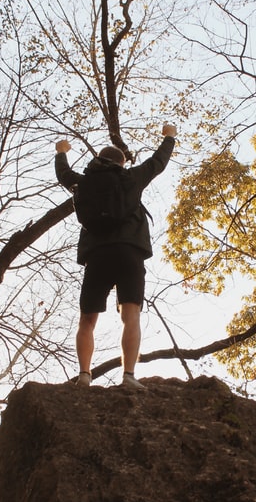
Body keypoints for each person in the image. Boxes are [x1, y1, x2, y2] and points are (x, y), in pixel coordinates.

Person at [55, 124, 177, 388]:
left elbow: (63, 174)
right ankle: (129, 376)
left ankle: (85, 375)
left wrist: (61, 152)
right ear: (122, 163)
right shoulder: (129, 178)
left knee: (87, 318)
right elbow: (158, 162)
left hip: (97, 255)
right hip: (129, 251)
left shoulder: (84, 182)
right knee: (130, 315)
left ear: (98, 160)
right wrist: (169, 137)